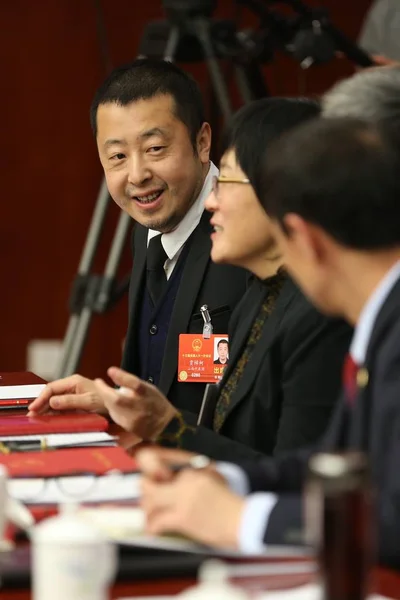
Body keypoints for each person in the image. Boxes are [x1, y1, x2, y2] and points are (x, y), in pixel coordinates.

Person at [138, 117, 400, 569]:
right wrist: (221, 478)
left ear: (307, 240)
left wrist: (242, 519)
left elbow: (393, 522)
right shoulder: (380, 321)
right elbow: (327, 465)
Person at [31, 98, 352, 462]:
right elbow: (230, 435)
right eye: (117, 156)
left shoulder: (322, 315)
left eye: (226, 180)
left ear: (286, 190)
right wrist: (132, 410)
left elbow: (298, 481)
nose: (212, 201)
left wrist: (168, 425)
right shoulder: (263, 294)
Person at [29, 59, 248, 415]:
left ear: (203, 141)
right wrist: (113, 402)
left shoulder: (248, 233)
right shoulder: (144, 230)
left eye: (155, 149)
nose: (137, 174)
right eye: (117, 156)